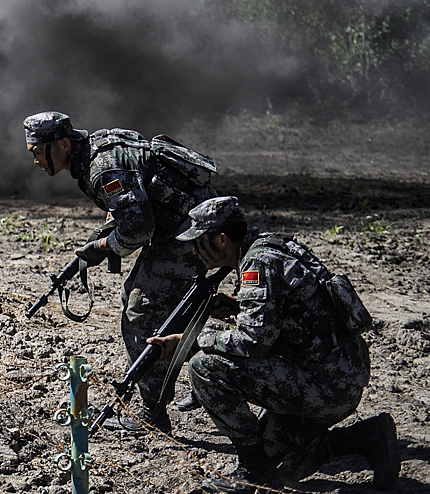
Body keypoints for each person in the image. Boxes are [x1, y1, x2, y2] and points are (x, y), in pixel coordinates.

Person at [149, 196, 400, 493]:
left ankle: (252, 472)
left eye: (199, 241)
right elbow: (286, 319)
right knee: (285, 464)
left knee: (204, 367)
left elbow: (254, 341)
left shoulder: (258, 263)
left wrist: (188, 342)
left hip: (326, 383)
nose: (195, 250)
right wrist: (235, 307)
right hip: (337, 373)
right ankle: (367, 437)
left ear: (221, 239)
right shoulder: (271, 245)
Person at [23, 111, 218, 432]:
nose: (35, 161)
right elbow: (130, 203)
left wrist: (102, 249)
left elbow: (138, 227)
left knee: (141, 310)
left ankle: (151, 413)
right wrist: (98, 241)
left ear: (63, 144)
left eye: (37, 152)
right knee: (171, 309)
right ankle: (203, 375)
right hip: (185, 226)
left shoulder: (102, 166)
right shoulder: (97, 148)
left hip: (192, 232)